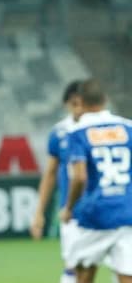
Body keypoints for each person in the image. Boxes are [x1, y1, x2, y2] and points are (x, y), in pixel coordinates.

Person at [60, 79, 132, 283]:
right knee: (127, 276)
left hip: (95, 215)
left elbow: (80, 176)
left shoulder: (78, 132)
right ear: (105, 100)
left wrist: (69, 207)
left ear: (80, 101)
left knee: (83, 274)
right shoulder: (128, 128)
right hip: (128, 213)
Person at [30, 80, 84, 283]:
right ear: (67, 104)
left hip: (107, 210)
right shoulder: (60, 132)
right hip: (72, 214)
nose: (78, 108)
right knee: (73, 268)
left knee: (123, 269)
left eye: (82, 103)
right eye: (74, 103)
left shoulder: (105, 129)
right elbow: (50, 174)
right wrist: (38, 213)